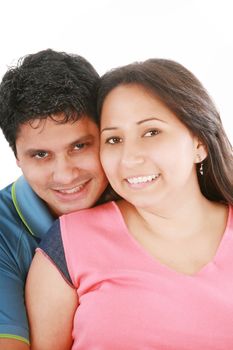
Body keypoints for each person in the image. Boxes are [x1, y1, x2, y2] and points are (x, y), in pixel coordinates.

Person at [26, 59, 233, 350]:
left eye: (151, 132)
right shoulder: (70, 242)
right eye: (113, 139)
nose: (129, 158)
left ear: (199, 142)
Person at [0, 49, 109, 350]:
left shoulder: (141, 193)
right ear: (17, 158)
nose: (65, 175)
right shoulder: (2, 229)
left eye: (79, 146)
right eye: (40, 155)